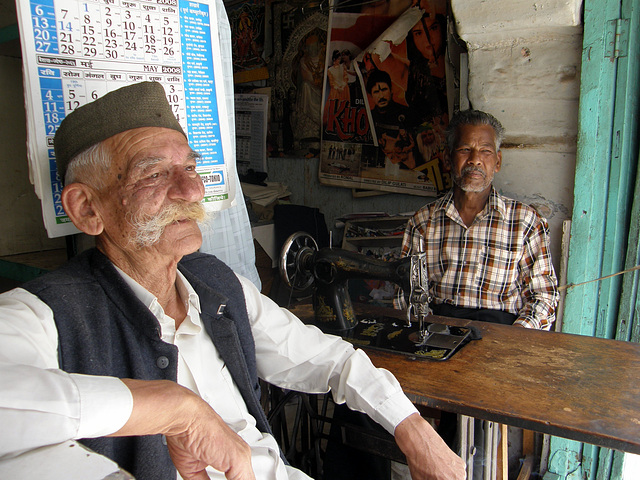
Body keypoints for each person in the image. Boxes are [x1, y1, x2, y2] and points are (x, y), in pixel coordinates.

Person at [0, 82, 465, 480]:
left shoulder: (215, 285)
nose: (191, 190)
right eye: (155, 173)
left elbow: (332, 360)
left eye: (190, 168)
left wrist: (410, 425)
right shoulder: (46, 314)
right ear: (87, 209)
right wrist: (173, 408)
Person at [401, 109, 559, 329]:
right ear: (448, 158)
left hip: (502, 332)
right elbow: (408, 292)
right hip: (439, 328)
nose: (475, 160)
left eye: (485, 151)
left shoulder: (526, 223)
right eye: (465, 149)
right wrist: (425, 330)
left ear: (497, 161)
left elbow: (543, 297)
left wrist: (515, 337)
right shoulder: (423, 222)